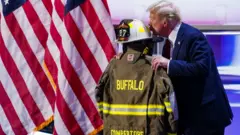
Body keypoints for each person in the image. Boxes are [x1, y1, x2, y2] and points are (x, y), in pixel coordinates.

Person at [146, 0, 233, 135]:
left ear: (165, 22)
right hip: (189, 117)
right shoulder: (168, 41)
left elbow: (201, 67)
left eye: (152, 19)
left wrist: (169, 64)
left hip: (205, 117)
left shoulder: (193, 36)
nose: (149, 23)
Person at [95, 19, 177, 135]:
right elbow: (171, 105)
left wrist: (108, 120)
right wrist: (173, 131)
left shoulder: (112, 67)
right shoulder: (155, 68)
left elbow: (98, 96)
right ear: (145, 44)